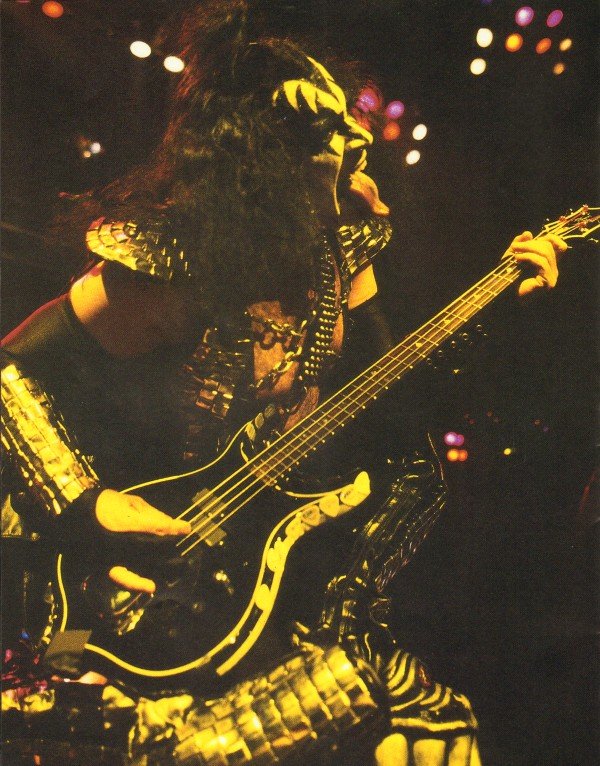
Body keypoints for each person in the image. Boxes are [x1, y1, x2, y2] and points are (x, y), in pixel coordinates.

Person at [1, 2, 565, 764]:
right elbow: (6, 377)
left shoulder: (337, 253)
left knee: (437, 730)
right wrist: (84, 507)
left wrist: (503, 311)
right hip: (101, 602)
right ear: (264, 155)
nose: (361, 138)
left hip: (249, 592)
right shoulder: (169, 267)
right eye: (330, 128)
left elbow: (385, 412)